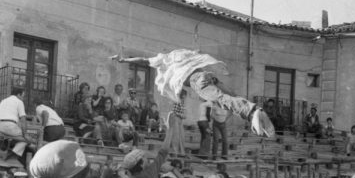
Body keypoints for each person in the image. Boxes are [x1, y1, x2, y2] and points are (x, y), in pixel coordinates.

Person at [114, 49, 274, 137]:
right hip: (207, 75)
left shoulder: (163, 60)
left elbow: (143, 59)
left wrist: (124, 60)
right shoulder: (180, 54)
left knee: (220, 99)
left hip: (196, 80)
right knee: (229, 95)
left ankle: (252, 112)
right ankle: (253, 115)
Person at [0, 88, 36, 166]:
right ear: (18, 94)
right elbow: (23, 120)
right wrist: (25, 134)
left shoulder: (4, 100)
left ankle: (7, 144)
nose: (23, 98)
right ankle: (13, 153)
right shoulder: (19, 102)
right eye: (23, 96)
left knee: (13, 133)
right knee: (27, 139)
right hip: (8, 127)